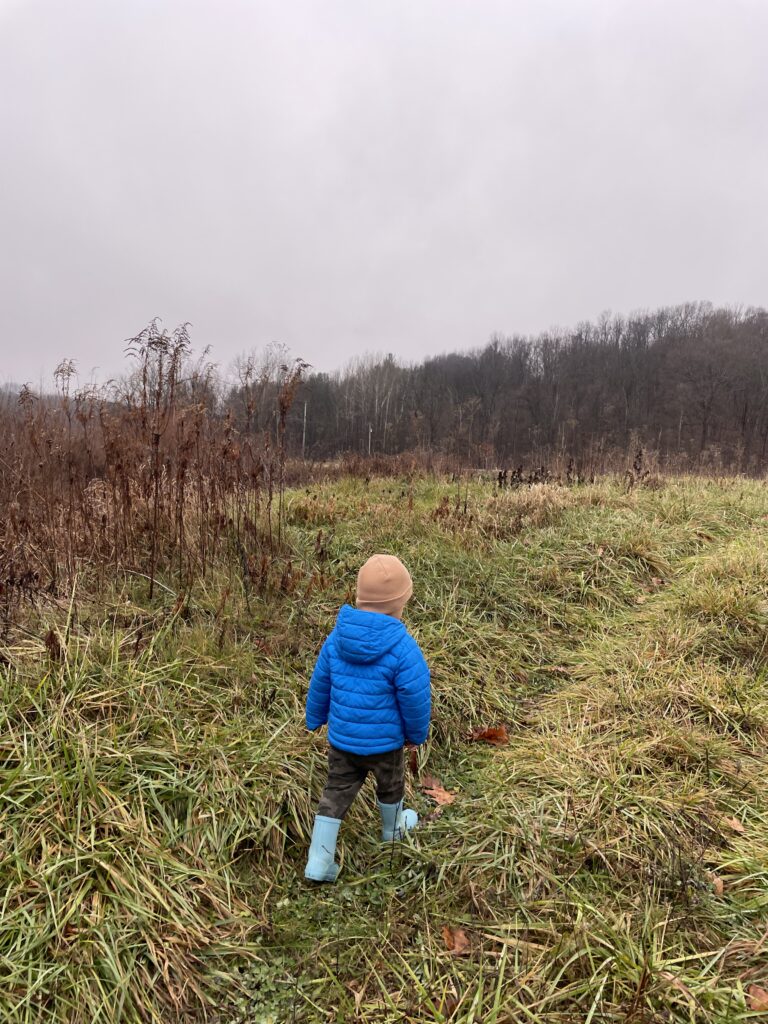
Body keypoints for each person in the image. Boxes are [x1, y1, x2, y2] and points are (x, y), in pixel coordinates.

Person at [303, 553, 431, 882]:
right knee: (391, 787)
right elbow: (415, 696)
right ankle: (392, 832)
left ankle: (319, 860)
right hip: (385, 744)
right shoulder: (403, 648)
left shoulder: (336, 639)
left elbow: (321, 682)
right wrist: (416, 735)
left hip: (343, 741)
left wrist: (314, 717)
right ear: (399, 604)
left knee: (335, 792)